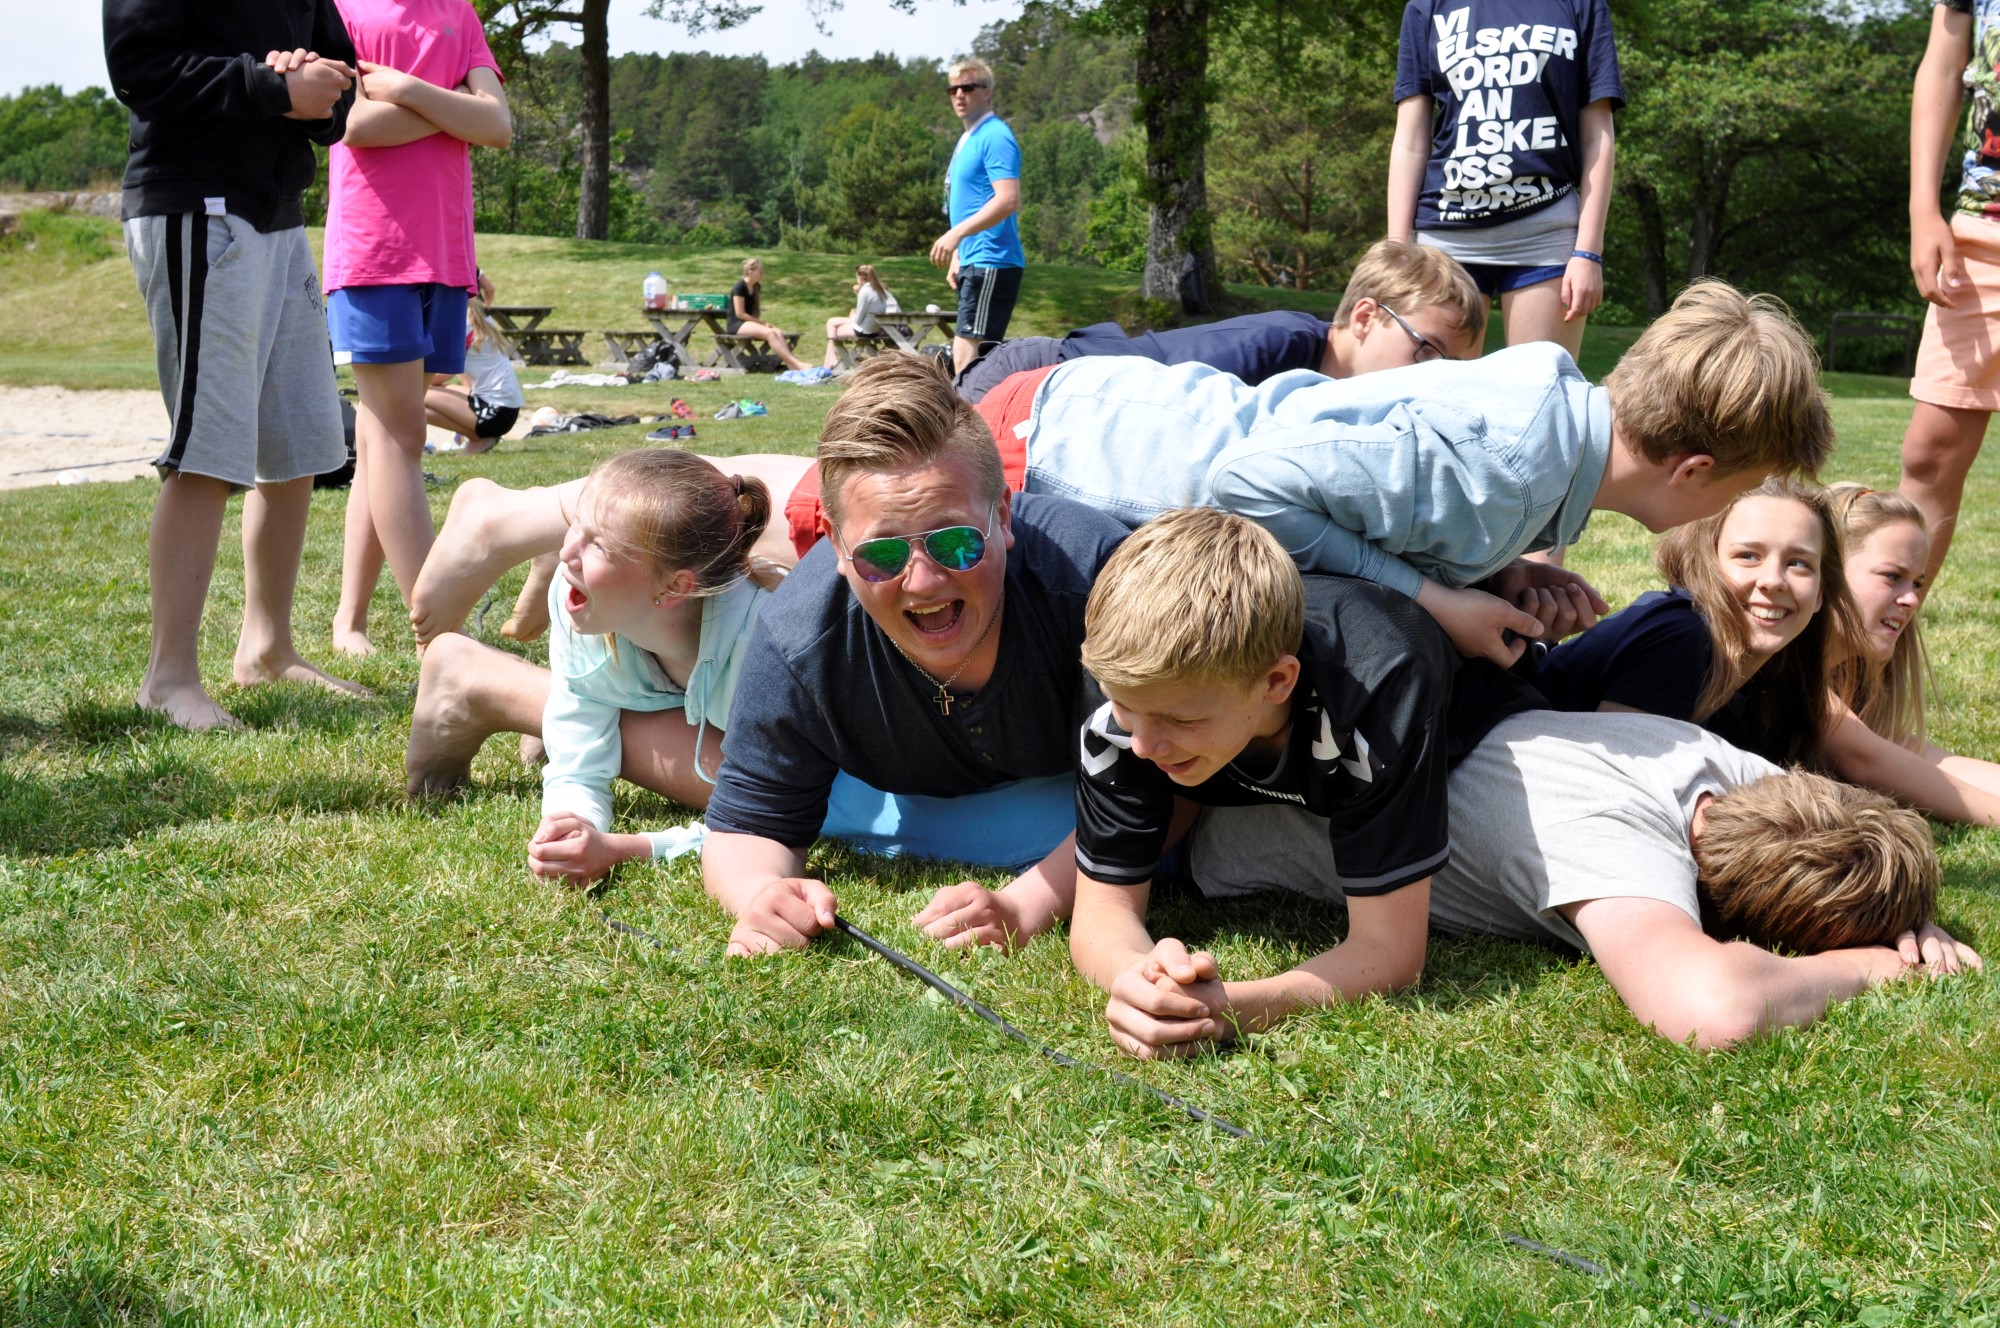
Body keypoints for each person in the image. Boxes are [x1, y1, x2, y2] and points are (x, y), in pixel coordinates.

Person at [960, 279, 1834, 666]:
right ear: (1694, 469)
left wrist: (1495, 571)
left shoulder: (1553, 401)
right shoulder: (1505, 474)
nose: (1736, 508)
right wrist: (1435, 603)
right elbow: (1245, 485)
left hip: (1087, 409)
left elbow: (1399, 485)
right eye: (1741, 487)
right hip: (1055, 451)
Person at [1190, 710, 1979, 1051]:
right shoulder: (1613, 849)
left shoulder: (1721, 771)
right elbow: (1715, 1013)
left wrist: (1909, 913)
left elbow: (1840, 837)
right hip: (1194, 835)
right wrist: (1869, 964)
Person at [1061, 509, 1543, 1057]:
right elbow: (1103, 911)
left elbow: (1390, 950)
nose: (1143, 746)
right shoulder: (1134, 681)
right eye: (1125, 707)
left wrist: (1230, 1009)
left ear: (1277, 681)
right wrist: (1137, 979)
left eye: (1183, 721)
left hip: (1499, 711)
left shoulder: (1378, 686)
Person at [698, 353, 1130, 958]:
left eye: (956, 542)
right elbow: (749, 823)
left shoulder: (1098, 583)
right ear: (838, 551)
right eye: (882, 556)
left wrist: (1026, 903)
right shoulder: (800, 634)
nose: (923, 582)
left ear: (1002, 517)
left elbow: (1170, 775)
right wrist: (759, 894)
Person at [104, 0, 368, 732]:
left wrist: (315, 89)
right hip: (198, 205)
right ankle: (167, 680)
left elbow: (340, 89)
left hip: (277, 212)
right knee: (209, 453)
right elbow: (139, 70)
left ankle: (268, 648)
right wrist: (271, 87)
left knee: (296, 446)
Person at [408, 451, 781, 885]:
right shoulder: (579, 608)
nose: (566, 553)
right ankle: (474, 680)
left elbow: (778, 818)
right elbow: (579, 754)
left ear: (676, 585)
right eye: (574, 528)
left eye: (599, 544)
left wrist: (629, 848)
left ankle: (477, 681)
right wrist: (573, 825)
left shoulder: (765, 649)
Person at [324, 0, 510, 655]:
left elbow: (497, 125)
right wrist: (450, 109)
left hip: (445, 256)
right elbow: (351, 124)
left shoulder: (458, 11)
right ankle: (440, 630)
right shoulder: (340, 10)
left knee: (382, 437)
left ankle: (349, 623)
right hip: (373, 254)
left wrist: (405, 89)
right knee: (400, 433)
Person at [1528, 477, 1853, 767]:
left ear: (1821, 593)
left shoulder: (1770, 678)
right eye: (1748, 556)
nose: (1773, 580)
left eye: (1798, 563)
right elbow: (1619, 784)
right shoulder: (1683, 638)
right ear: (1705, 566)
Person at [954, 239, 1486, 403]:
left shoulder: (1337, 391)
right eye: (1429, 350)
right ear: (1367, 317)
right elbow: (1149, 399)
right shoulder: (1279, 345)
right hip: (1035, 379)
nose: (1436, 376)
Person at [1387, 0, 1623, 361]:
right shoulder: (1427, 6)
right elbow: (1410, 139)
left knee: (1539, 399)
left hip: (1544, 236)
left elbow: (1598, 136)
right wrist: (1397, 251)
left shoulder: (1582, 6)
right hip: (1445, 241)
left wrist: (1589, 252)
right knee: (1434, 402)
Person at [1817, 483, 2000, 825]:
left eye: (1916, 583)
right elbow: (1870, 760)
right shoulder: (1791, 671)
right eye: (1892, 576)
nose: (1912, 600)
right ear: (1829, 572)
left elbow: (1925, 760)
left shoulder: (1845, 676)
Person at [1900, 0, 2000, 585]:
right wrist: (1922, 211)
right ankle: (1870, 660)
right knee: (1929, 452)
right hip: (1981, 228)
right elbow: (1942, 62)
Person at [932, 56, 1024, 374]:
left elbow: (1008, 199)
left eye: (968, 87)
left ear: (986, 92)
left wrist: (956, 234)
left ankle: (969, 423)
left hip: (991, 259)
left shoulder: (995, 136)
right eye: (953, 89)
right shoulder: (970, 137)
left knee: (968, 357)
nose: (959, 94)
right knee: (971, 357)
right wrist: (959, 253)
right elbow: (971, 202)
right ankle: (975, 420)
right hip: (976, 259)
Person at [423, 296, 524, 453]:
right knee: (426, 392)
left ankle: (479, 438)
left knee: (415, 397)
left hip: (496, 413)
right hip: (504, 409)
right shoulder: (480, 319)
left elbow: (442, 374)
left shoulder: (462, 327)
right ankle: (480, 437)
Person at [726, 258, 808, 373]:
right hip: (737, 324)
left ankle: (791, 366)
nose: (762, 274)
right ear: (750, 271)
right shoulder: (739, 287)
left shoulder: (756, 287)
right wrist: (762, 324)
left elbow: (754, 311)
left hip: (749, 323)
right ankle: (797, 364)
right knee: (770, 333)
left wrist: (760, 324)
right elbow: (740, 314)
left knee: (778, 332)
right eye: (760, 272)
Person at [823, 264, 895, 369]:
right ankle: (831, 358)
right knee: (832, 323)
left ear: (860, 277)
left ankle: (832, 360)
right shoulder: (880, 290)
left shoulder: (865, 292)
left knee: (834, 329)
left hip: (864, 330)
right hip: (874, 328)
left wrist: (852, 316)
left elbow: (858, 319)